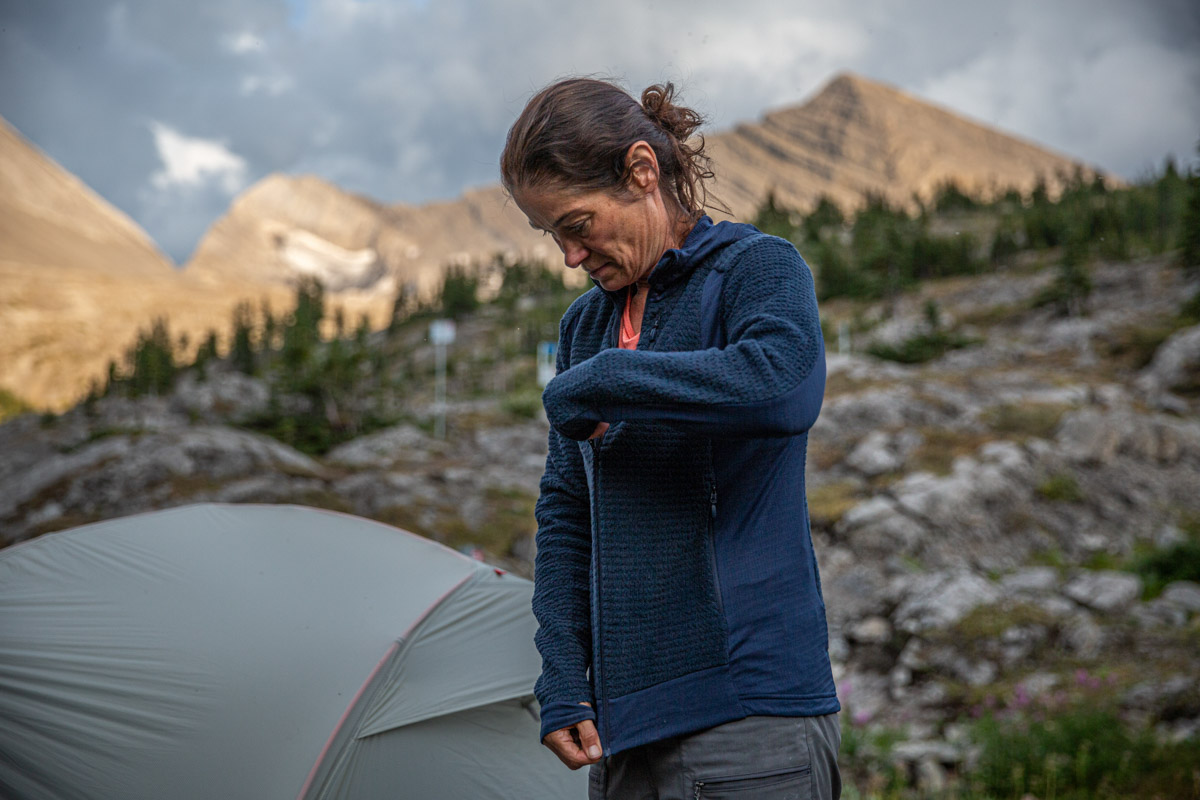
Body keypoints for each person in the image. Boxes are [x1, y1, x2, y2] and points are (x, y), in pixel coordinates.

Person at [501, 78, 841, 800]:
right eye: (550, 235)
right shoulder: (584, 327)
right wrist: (563, 675)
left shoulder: (757, 269)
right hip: (623, 738)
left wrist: (604, 383)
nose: (569, 255)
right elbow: (566, 511)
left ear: (642, 173)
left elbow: (781, 385)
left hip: (749, 720)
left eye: (578, 223)